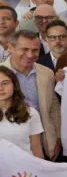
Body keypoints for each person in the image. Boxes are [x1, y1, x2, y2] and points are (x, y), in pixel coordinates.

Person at [1, 31, 61, 160]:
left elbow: (53, 107)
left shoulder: (47, 73)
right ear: (10, 47)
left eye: (35, 50)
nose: (30, 55)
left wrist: (58, 136)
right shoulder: (1, 74)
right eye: (24, 49)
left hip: (43, 142)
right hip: (9, 143)